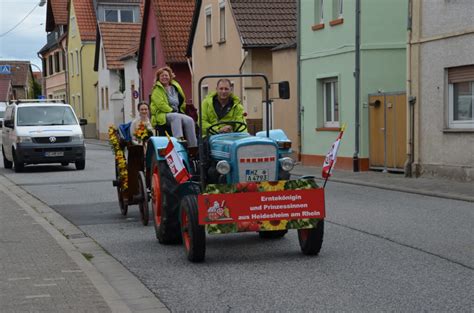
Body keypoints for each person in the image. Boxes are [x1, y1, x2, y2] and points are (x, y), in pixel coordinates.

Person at [150, 66, 197, 147]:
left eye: (166, 75)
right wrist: (171, 110)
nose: (164, 77)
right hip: (162, 114)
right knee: (176, 117)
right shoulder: (156, 90)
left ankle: (193, 146)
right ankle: (178, 142)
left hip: (176, 112)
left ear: (170, 76)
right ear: (158, 78)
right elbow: (161, 105)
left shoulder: (175, 87)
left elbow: (182, 99)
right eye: (162, 76)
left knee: (189, 120)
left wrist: (181, 110)